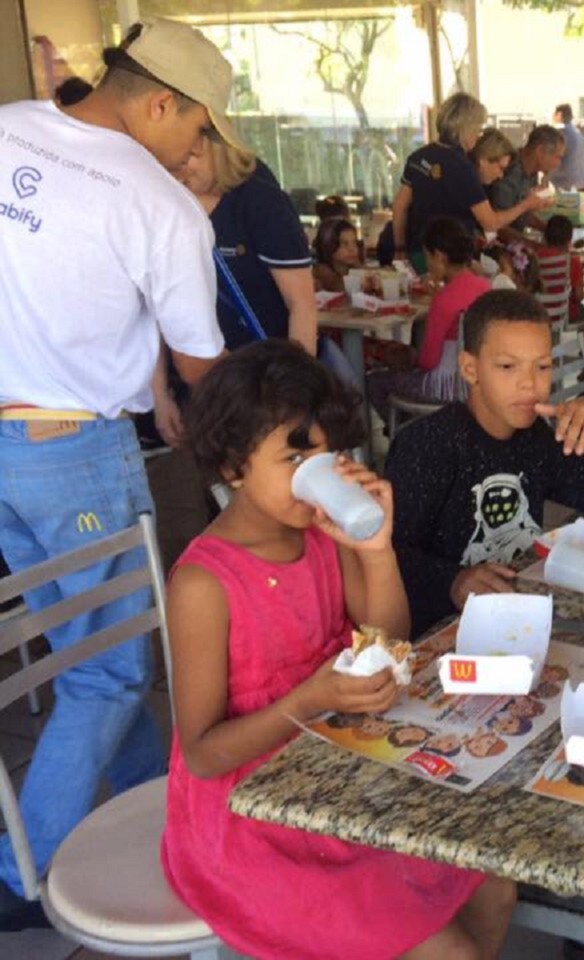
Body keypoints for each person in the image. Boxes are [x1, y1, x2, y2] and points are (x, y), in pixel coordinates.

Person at [162, 340, 516, 957]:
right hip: (252, 819)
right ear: (234, 467)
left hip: (338, 775)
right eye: (295, 457)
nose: (318, 474)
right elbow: (203, 755)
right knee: (449, 949)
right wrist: (307, 700)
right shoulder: (204, 584)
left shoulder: (322, 537)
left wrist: (375, 549)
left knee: (495, 882)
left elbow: (389, 643)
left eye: (326, 455)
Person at [0, 18, 229, 930]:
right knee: (111, 671)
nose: (196, 150)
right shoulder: (160, 205)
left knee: (97, 648)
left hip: (8, 451)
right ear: (161, 102)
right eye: (198, 128)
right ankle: (21, 876)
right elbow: (203, 363)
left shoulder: (9, 126)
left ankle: (153, 813)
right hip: (73, 453)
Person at [386, 291, 584, 635]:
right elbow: (389, 553)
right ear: (470, 368)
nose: (529, 383)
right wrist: (452, 580)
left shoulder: (534, 436)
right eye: (507, 366)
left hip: (516, 618)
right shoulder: (427, 446)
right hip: (444, 632)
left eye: (542, 366)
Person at [178, 139, 318, 355]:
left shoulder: (262, 201)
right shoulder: (168, 203)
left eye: (188, 156)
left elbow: (301, 305)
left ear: (215, 144)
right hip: (195, 361)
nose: (176, 169)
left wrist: (296, 373)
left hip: (263, 363)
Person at [392, 92, 551, 257]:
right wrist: (527, 204)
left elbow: (399, 206)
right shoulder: (462, 168)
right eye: (477, 129)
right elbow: (490, 222)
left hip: (417, 251)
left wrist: (400, 248)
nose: (478, 135)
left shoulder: (418, 157)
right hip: (447, 259)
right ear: (465, 128)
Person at [366, 217, 490, 421]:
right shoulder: (483, 286)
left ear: (439, 256)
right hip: (478, 383)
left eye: (427, 257)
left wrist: (409, 359)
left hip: (443, 387)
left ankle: (408, 432)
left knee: (375, 381)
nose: (427, 264)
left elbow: (428, 362)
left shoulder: (443, 300)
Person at [488, 124, 565, 237]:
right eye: (557, 157)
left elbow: (521, 214)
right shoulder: (509, 172)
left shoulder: (532, 172)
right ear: (540, 151)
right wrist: (531, 245)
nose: (558, 163)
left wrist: (549, 231)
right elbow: (499, 226)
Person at [537, 215, 584, 326]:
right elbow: (579, 296)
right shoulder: (573, 262)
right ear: (570, 238)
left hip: (539, 314)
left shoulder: (534, 257)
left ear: (545, 236)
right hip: (566, 314)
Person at [311, 217, 362, 294]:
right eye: (344, 244)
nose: (352, 249)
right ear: (328, 245)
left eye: (354, 243)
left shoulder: (354, 269)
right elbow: (340, 289)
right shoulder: (321, 275)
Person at [551, 102, 584, 191]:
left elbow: (553, 157)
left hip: (565, 184)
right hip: (581, 181)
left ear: (559, 115)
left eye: (554, 115)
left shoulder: (561, 133)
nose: (553, 118)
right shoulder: (578, 133)